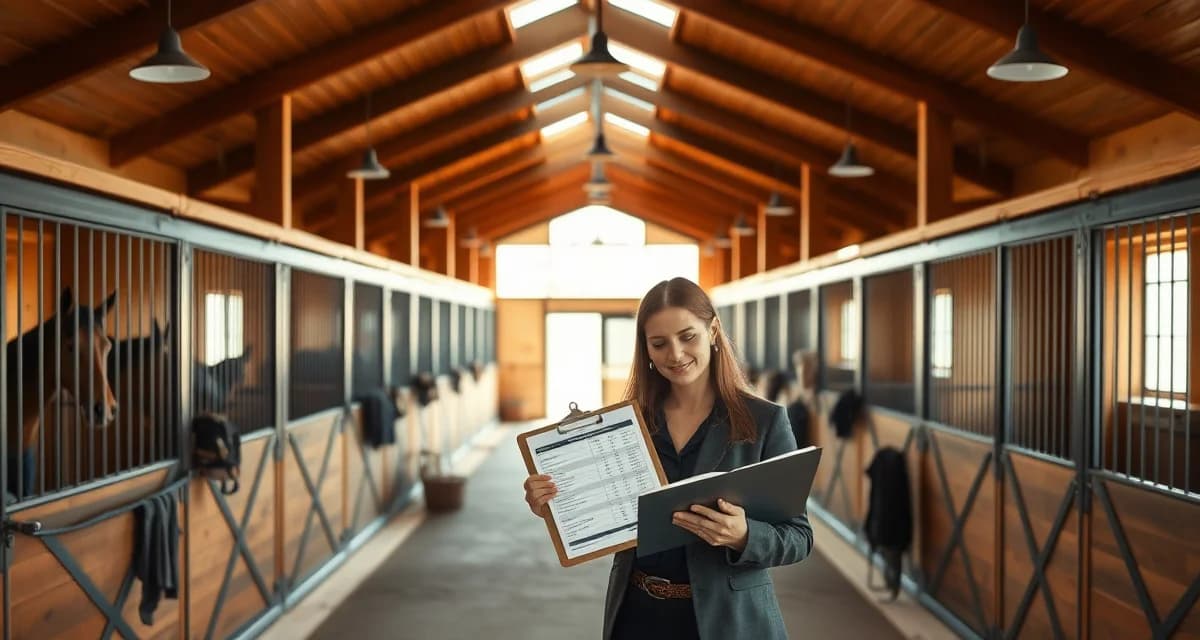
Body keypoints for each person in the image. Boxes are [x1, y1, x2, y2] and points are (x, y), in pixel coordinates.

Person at [522, 277, 814, 639]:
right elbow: (596, 515)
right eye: (658, 344)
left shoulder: (765, 421)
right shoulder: (625, 424)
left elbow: (799, 538)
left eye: (687, 336)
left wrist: (744, 535)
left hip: (729, 621)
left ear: (713, 331)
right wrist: (555, 504)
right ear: (645, 349)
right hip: (638, 615)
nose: (675, 355)